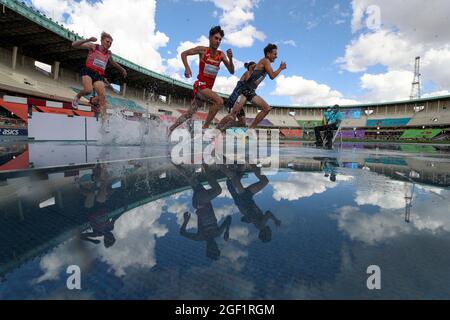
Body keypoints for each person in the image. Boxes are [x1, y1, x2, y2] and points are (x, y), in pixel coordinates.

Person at [168, 26, 235, 135]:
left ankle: (170, 129)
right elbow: (183, 54)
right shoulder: (202, 50)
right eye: (216, 38)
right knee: (219, 101)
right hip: (200, 86)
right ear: (209, 38)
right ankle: (205, 128)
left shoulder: (221, 55)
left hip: (207, 90)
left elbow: (232, 71)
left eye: (220, 39)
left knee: (189, 114)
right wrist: (187, 67)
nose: (218, 41)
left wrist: (231, 58)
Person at [217, 43, 286, 130]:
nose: (276, 56)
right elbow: (272, 76)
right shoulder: (265, 61)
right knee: (233, 116)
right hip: (246, 90)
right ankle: (217, 129)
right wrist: (280, 68)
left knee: (266, 109)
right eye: (275, 54)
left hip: (250, 91)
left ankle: (249, 129)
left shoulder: (264, 62)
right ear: (268, 54)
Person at [177, 164, 232, 260]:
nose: (214, 247)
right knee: (194, 182)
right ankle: (202, 166)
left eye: (212, 249)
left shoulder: (200, 237)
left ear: (207, 249)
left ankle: (204, 165)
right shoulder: (218, 233)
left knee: (217, 190)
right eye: (216, 248)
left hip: (199, 203)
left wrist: (186, 220)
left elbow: (182, 232)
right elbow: (229, 218)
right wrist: (227, 231)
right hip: (206, 200)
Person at [71, 32, 127, 124]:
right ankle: (78, 96)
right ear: (101, 40)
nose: (109, 44)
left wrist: (122, 69)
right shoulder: (93, 46)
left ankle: (104, 122)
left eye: (110, 43)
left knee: (102, 98)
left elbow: (113, 63)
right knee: (88, 90)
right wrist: (88, 39)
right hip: (88, 71)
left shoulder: (108, 54)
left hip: (99, 75)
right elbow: (74, 45)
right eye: (107, 41)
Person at [221, 164, 281, 242]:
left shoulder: (261, 225)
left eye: (269, 234)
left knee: (233, 177)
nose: (271, 232)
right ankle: (249, 162)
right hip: (246, 198)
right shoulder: (259, 225)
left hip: (242, 198)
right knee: (263, 181)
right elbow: (247, 217)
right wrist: (247, 218)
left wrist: (275, 220)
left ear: (264, 233)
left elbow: (268, 213)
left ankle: (216, 157)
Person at [216, 61, 256, 131]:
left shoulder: (252, 76)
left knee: (242, 122)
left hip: (240, 101)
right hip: (235, 98)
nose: (255, 68)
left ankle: (223, 128)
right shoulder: (247, 73)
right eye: (254, 66)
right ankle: (217, 128)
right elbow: (250, 85)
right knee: (231, 117)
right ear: (250, 67)